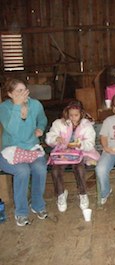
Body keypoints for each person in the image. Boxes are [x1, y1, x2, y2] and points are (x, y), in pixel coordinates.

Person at [0, 78, 48, 226]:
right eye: (18, 91)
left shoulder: (35, 104)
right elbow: (13, 130)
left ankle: (37, 205)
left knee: (40, 168)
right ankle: (21, 212)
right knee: (23, 171)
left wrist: (40, 128)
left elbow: (43, 119)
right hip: (11, 151)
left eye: (24, 90)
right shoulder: (5, 108)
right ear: (10, 94)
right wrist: (17, 107)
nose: (22, 94)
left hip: (31, 149)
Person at [45, 100, 98, 212]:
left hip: (80, 153)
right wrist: (56, 139)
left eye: (76, 115)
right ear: (67, 114)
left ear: (81, 114)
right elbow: (49, 137)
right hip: (62, 153)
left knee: (79, 168)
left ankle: (82, 193)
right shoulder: (59, 123)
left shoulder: (86, 126)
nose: (73, 118)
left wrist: (80, 145)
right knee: (55, 170)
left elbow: (90, 143)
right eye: (71, 115)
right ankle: (60, 194)